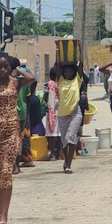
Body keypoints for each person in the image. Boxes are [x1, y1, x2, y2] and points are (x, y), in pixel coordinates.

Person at [0, 52, 34, 224]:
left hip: (12, 130)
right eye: (0, 66)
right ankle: (1, 210)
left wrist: (18, 70)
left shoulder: (15, 83)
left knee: (7, 170)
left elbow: (31, 78)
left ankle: (4, 215)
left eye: (6, 66)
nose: (3, 70)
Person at [55, 42, 84, 174]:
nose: (67, 73)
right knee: (64, 141)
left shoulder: (77, 80)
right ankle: (66, 160)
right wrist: (57, 49)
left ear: (73, 72)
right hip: (62, 114)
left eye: (70, 71)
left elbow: (81, 64)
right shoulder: (61, 81)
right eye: (65, 71)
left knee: (71, 137)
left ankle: (69, 164)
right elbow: (57, 65)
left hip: (75, 113)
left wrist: (80, 48)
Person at [43, 67, 61, 159]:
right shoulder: (61, 84)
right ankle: (59, 154)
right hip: (59, 110)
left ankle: (52, 153)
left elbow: (45, 97)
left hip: (50, 111)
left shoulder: (48, 84)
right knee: (59, 133)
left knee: (51, 133)